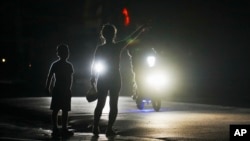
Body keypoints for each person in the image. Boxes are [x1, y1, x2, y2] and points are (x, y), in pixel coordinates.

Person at [90, 23, 145, 137]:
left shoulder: (100, 48)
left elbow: (94, 64)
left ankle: (95, 126)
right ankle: (109, 129)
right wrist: (141, 29)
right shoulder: (117, 46)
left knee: (100, 103)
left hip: (103, 77)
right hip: (115, 76)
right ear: (114, 34)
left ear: (103, 35)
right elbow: (130, 38)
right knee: (113, 104)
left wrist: (93, 77)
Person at [45, 43, 74, 137]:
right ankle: (61, 128)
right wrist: (69, 89)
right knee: (62, 110)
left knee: (57, 110)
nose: (66, 54)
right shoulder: (68, 65)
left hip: (59, 90)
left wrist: (47, 87)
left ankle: (57, 128)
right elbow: (70, 79)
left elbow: (49, 77)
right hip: (62, 90)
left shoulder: (56, 64)